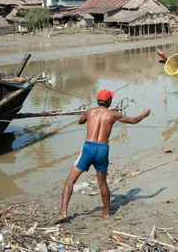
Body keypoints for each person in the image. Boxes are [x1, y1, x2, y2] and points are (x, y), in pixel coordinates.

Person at [54, 89, 151, 224]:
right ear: (110, 101)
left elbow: (80, 121)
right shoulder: (113, 114)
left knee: (70, 181)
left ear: (97, 101)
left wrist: (86, 117)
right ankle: (105, 213)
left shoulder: (89, 112)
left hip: (88, 148)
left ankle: (62, 212)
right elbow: (133, 120)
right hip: (102, 150)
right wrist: (143, 115)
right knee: (102, 183)